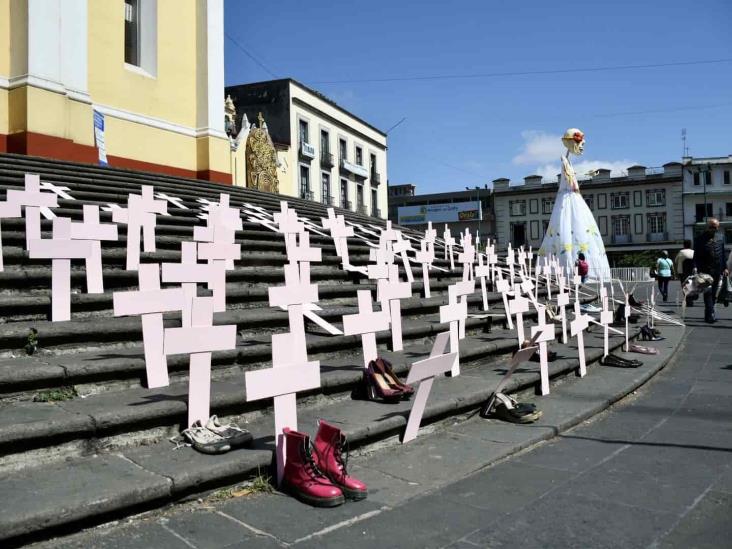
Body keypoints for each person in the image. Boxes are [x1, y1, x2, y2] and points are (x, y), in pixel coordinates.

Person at [537, 128, 610, 280]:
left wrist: (585, 175)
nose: (582, 145)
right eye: (580, 142)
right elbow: (572, 184)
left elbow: (572, 180)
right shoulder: (565, 161)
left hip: (570, 199)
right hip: (569, 199)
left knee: (573, 228)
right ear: (571, 142)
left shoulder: (567, 162)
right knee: (569, 228)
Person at [693, 218, 729, 323]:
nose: (714, 229)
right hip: (705, 271)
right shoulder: (699, 239)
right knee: (708, 292)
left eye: (716, 227)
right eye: (712, 227)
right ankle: (710, 314)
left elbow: (722, 255)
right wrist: (695, 268)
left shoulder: (720, 238)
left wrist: (725, 268)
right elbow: (696, 256)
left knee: (713, 293)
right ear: (707, 227)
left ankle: (708, 312)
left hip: (717, 270)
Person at [674, 240, 695, 306]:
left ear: (684, 245)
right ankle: (691, 299)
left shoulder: (681, 252)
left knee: (684, 286)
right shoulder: (693, 252)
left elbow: (676, 261)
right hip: (692, 272)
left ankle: (687, 300)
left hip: (682, 272)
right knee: (692, 285)